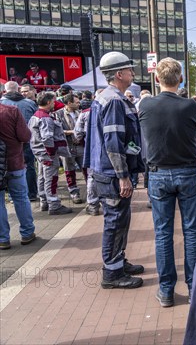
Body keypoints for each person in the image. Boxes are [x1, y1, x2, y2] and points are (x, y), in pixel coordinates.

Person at [139, 57, 196, 306]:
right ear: (181, 79)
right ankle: (193, 287)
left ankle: (166, 290)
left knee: (163, 234)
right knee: (191, 232)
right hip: (187, 172)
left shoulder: (145, 105)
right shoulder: (190, 105)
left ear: (157, 79)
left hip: (158, 173)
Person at [85, 51, 145, 290]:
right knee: (115, 221)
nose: (133, 73)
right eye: (130, 69)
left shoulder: (106, 97)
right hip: (112, 175)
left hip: (106, 172)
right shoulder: (115, 101)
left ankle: (118, 261)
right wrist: (123, 176)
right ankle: (112, 273)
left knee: (120, 220)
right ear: (119, 74)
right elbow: (113, 142)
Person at [28, 91, 73, 215]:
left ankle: (44, 202)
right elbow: (47, 138)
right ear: (48, 102)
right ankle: (54, 205)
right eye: (53, 101)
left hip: (40, 153)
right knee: (51, 179)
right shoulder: (45, 118)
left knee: (42, 177)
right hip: (47, 154)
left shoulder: (36, 115)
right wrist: (51, 154)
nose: (54, 104)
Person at [0, 103, 36, 250]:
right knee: (21, 197)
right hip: (14, 161)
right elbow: (25, 136)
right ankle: (27, 233)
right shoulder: (11, 111)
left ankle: (3, 238)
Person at [1, 82, 38, 200]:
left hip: (5, 145)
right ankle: (31, 194)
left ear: (5, 91)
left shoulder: (2, 104)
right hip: (26, 140)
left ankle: (11, 195)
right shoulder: (30, 103)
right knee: (30, 167)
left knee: (6, 169)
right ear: (18, 89)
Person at [54, 93, 85, 204]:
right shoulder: (58, 114)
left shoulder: (79, 113)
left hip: (80, 145)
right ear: (68, 103)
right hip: (67, 147)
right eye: (76, 102)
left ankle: (92, 190)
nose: (79, 103)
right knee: (69, 170)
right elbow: (57, 131)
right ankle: (74, 192)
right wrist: (72, 132)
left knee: (86, 168)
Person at [74, 92, 101, 216]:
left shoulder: (84, 113)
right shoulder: (113, 109)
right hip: (110, 149)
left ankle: (93, 205)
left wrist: (81, 140)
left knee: (92, 176)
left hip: (91, 148)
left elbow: (77, 133)